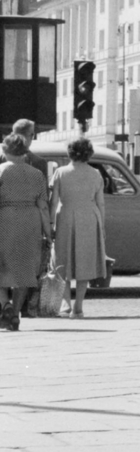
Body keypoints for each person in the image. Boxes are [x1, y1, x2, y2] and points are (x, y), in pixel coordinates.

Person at [51, 138, 108, 318]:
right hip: (90, 217)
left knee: (62, 260)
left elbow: (53, 202)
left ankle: (67, 304)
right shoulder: (96, 174)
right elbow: (101, 203)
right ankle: (79, 307)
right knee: (85, 260)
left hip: (66, 215)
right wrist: (102, 225)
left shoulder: (60, 172)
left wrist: (51, 224)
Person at [0, 133, 49, 331]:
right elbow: (43, 206)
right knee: (24, 268)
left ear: (5, 150)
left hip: (5, 218)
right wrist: (48, 231)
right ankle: (16, 314)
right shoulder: (36, 174)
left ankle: (6, 305)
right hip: (30, 220)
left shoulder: (1, 171)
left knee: (1, 266)